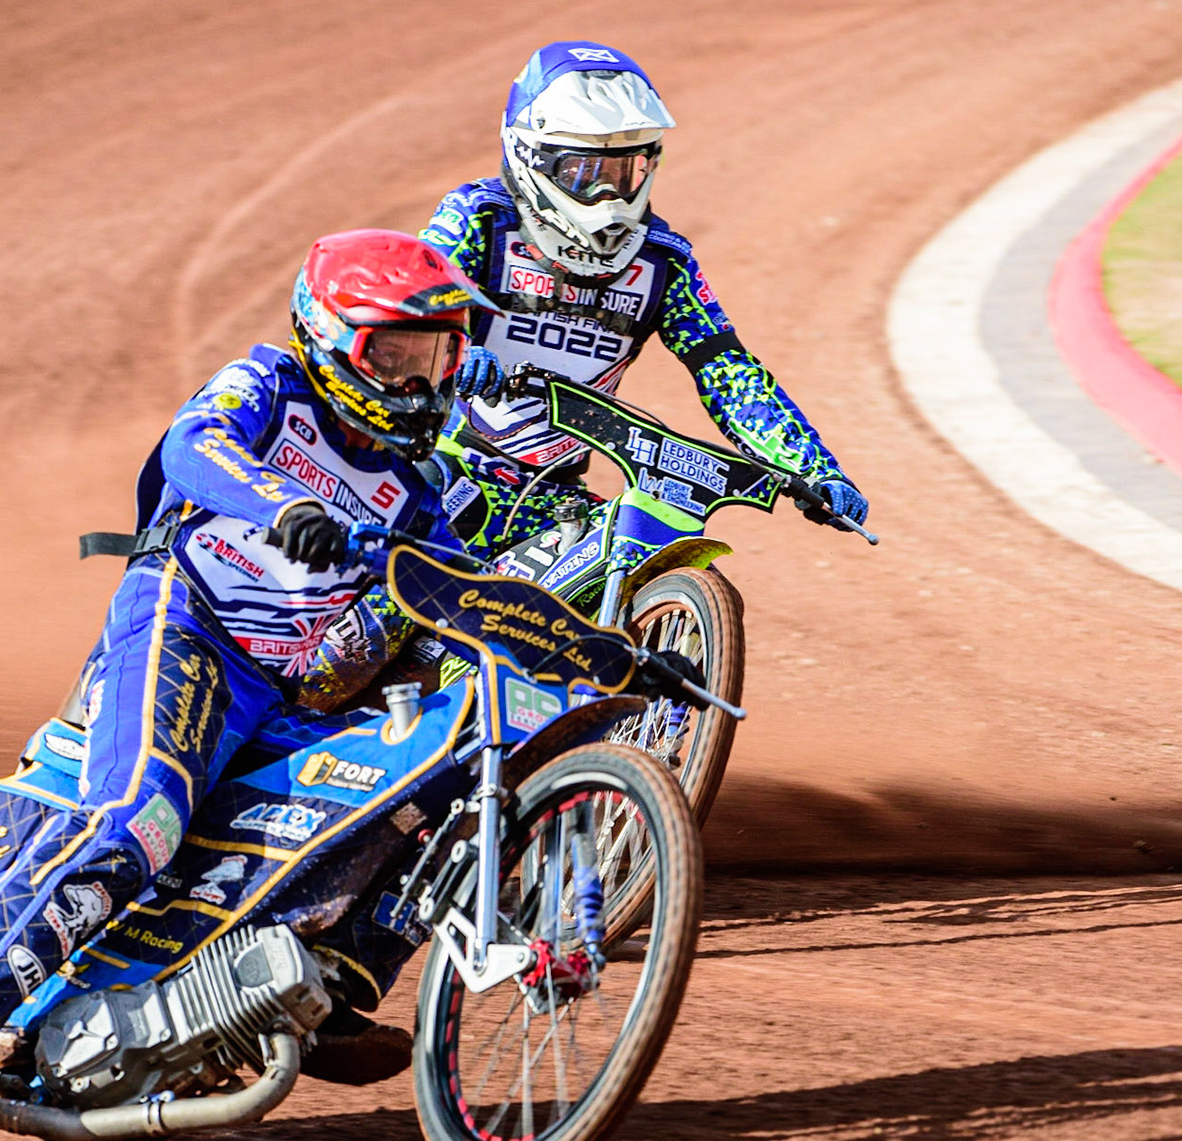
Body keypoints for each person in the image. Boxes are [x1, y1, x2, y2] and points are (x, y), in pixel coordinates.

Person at [0, 230, 497, 1127]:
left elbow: (460, 597)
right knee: (141, 822)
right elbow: (196, 445)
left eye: (435, 356)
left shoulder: (419, 490)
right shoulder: (269, 384)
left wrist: (580, 651)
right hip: (186, 628)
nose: (418, 381)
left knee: (431, 778)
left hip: (292, 694)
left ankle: (328, 981)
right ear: (332, 337)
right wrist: (287, 505)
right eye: (393, 354)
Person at [302, 39, 871, 712]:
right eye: (584, 171)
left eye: (625, 171)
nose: (608, 193)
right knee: (383, 606)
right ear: (532, 158)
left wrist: (813, 467)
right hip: (446, 469)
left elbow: (727, 370)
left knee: (602, 603)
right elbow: (419, 318)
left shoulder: (665, 262)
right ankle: (296, 712)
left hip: (552, 495)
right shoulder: (480, 218)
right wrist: (457, 355)